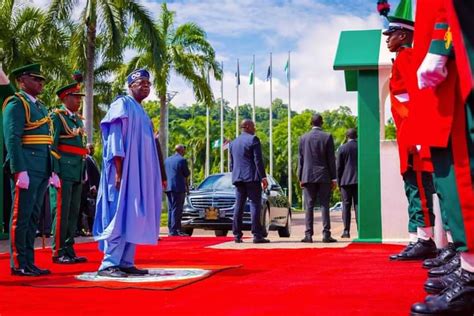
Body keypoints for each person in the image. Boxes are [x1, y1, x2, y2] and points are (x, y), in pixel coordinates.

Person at [408, 1, 474, 314]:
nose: (389, 38)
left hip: (457, 53)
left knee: (460, 167)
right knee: (450, 173)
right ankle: (466, 263)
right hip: (448, 57)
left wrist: (440, 45)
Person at [93, 69, 162, 278]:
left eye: (148, 84)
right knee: (117, 214)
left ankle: (125, 261)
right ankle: (108, 264)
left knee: (133, 215)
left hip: (137, 175)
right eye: (141, 82)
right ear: (130, 85)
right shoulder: (122, 104)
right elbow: (115, 139)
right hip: (121, 171)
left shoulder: (142, 111)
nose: (146, 86)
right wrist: (118, 170)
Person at [382, 0, 437, 262]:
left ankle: (426, 239)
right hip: (408, 134)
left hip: (414, 134)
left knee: (420, 188)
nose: (387, 39)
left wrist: (415, 137)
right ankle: (417, 237)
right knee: (412, 187)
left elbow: (414, 99)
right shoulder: (402, 58)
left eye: (390, 34)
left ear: (403, 35)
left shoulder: (408, 57)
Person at [3, 63, 60, 276]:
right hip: (27, 166)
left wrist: (52, 169)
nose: (40, 83)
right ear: (22, 81)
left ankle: (30, 262)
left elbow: (47, 142)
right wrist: (19, 169)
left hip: (41, 167)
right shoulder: (16, 103)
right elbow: (12, 137)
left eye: (41, 80)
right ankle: (19, 262)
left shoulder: (41, 106)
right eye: (35, 79)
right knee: (22, 216)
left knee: (34, 217)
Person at [50, 82, 88, 264]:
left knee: (73, 212)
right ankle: (58, 251)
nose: (79, 100)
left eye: (79, 97)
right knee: (62, 212)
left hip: (77, 170)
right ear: (65, 98)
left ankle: (69, 248)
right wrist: (54, 171)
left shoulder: (77, 119)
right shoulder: (57, 117)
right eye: (75, 97)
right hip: (63, 170)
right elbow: (52, 145)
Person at [298, 114, 337, 243]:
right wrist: (334, 178)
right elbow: (331, 159)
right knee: (324, 205)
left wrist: (300, 177)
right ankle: (326, 234)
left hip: (308, 175)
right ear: (322, 123)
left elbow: (301, 160)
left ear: (311, 123)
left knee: (309, 206)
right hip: (324, 176)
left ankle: (308, 235)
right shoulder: (327, 137)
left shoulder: (303, 138)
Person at [230, 119, 269, 244]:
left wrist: (235, 174)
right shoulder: (253, 139)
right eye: (253, 126)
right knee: (255, 205)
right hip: (252, 177)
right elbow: (258, 160)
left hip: (238, 178)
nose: (255, 128)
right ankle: (257, 235)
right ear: (247, 126)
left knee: (239, 206)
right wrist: (263, 177)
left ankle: (237, 235)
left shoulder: (233, 143)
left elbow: (231, 163)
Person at [336, 128, 358, 239]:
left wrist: (338, 183)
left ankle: (346, 231)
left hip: (346, 181)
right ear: (356, 136)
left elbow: (339, 167)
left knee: (346, 206)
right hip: (359, 181)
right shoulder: (360, 147)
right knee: (358, 206)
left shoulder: (342, 148)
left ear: (347, 136)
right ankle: (361, 231)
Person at [165, 144, 190, 236]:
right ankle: (175, 230)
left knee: (171, 209)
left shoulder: (167, 160)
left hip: (168, 187)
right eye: (184, 149)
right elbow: (186, 173)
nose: (185, 151)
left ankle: (172, 229)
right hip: (178, 187)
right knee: (177, 209)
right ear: (181, 150)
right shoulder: (182, 160)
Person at [78, 143, 100, 236]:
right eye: (90, 148)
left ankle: (91, 229)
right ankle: (84, 229)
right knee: (86, 209)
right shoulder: (86, 159)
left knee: (91, 209)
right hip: (88, 189)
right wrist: (92, 186)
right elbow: (88, 173)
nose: (92, 150)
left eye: (92, 148)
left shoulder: (93, 159)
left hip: (93, 187)